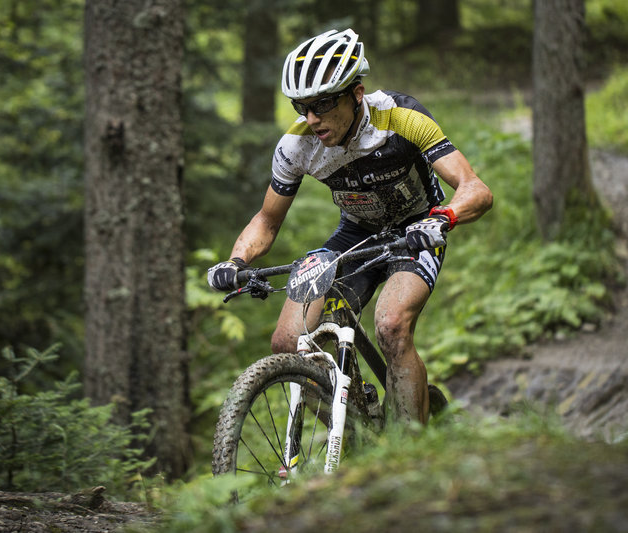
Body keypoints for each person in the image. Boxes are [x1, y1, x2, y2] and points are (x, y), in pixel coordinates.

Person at [208, 29, 492, 423]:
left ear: (356, 93)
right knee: (287, 343)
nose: (312, 119)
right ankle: (353, 431)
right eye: (301, 106)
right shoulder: (296, 145)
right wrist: (236, 261)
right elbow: (267, 220)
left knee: (391, 326)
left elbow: (475, 189)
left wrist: (442, 219)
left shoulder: (401, 117)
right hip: (355, 235)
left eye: (322, 104)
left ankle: (407, 448)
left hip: (417, 229)